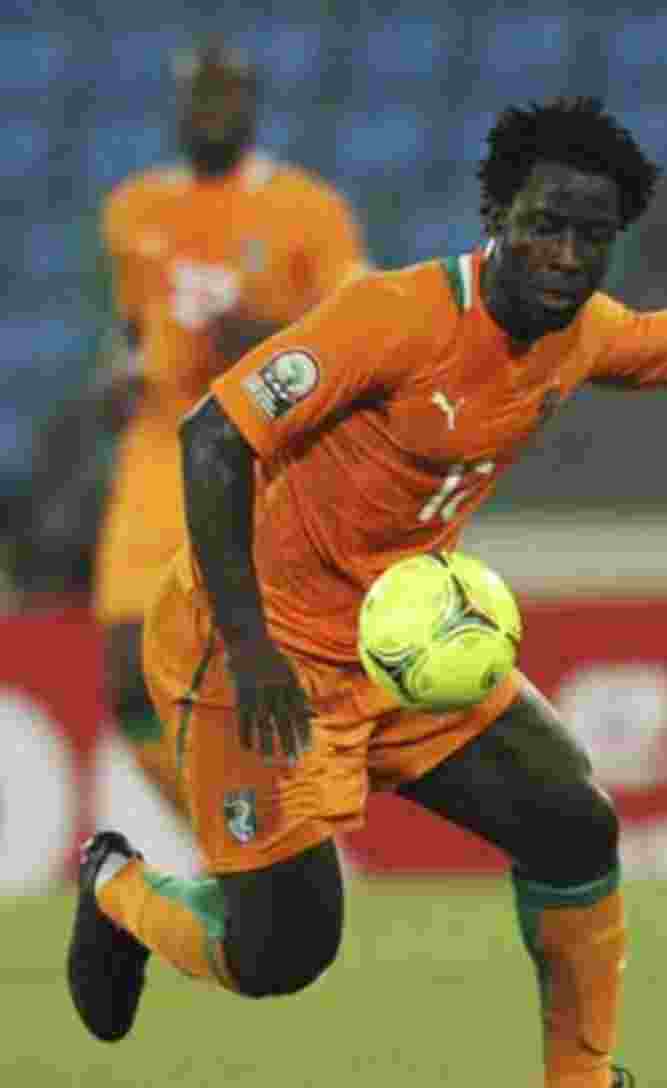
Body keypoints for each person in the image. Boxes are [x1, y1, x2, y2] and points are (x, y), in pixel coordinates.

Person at [67, 96, 667, 1088]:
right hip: (252, 654)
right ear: (496, 213)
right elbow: (211, 438)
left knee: (571, 821)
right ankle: (118, 889)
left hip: (396, 648)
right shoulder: (393, 318)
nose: (564, 253)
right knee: (282, 955)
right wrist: (254, 644)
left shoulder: (581, 336)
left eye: (591, 236)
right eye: (545, 223)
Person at [89, 41, 368, 815]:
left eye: (225, 96)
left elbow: (350, 337)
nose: (209, 111)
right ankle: (230, 833)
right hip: (156, 450)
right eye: (196, 97)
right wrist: (116, 376)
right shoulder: (134, 208)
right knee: (123, 674)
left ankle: (288, 822)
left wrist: (245, 329)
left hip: (260, 456)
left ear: (251, 107)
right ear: (176, 107)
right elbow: (128, 330)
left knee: (255, 665)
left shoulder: (309, 210)